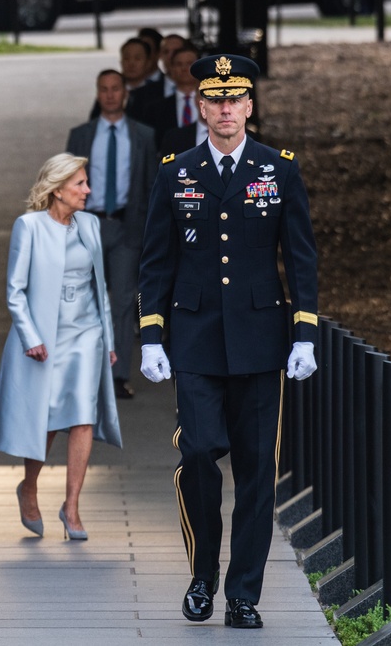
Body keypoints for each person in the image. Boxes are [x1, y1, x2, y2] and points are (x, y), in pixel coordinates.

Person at [138, 54, 319, 629]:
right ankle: (201, 574)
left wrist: (305, 334)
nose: (224, 109)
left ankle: (242, 593)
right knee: (196, 454)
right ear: (201, 107)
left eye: (234, 99)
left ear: (248, 106)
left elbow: (301, 260)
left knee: (257, 473)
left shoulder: (279, 169)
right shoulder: (176, 171)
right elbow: (155, 265)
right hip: (194, 342)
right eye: (214, 100)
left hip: (262, 342)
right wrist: (151, 337)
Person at [0, 153, 122, 541]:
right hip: (46, 334)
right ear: (57, 188)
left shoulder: (91, 225)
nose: (88, 190)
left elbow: (102, 289)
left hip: (86, 332)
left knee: (82, 415)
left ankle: (72, 507)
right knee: (46, 418)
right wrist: (30, 338)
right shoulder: (28, 226)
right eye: (80, 183)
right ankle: (29, 487)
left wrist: (109, 340)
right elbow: (14, 291)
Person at [67, 69, 157, 400]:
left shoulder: (143, 135)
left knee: (121, 300)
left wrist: (147, 228)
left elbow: (150, 184)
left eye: (115, 89)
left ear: (125, 93)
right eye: (103, 89)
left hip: (127, 225)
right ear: (97, 92)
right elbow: (65, 184)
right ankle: (85, 372)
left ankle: (117, 375)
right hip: (88, 223)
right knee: (84, 299)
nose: (109, 95)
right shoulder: (81, 135)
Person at [141, 44, 201, 150]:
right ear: (171, 68)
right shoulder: (155, 109)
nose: (184, 68)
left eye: (189, 63)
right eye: (179, 64)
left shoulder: (211, 104)